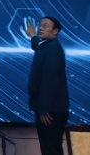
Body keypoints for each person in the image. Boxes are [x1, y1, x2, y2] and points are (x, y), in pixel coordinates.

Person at [24, 16, 69, 155]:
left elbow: (50, 80)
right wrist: (32, 36)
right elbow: (37, 46)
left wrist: (44, 109)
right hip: (49, 108)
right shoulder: (46, 45)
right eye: (40, 25)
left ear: (55, 31)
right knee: (48, 148)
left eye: (45, 26)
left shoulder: (53, 49)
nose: (41, 28)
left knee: (51, 149)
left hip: (51, 111)